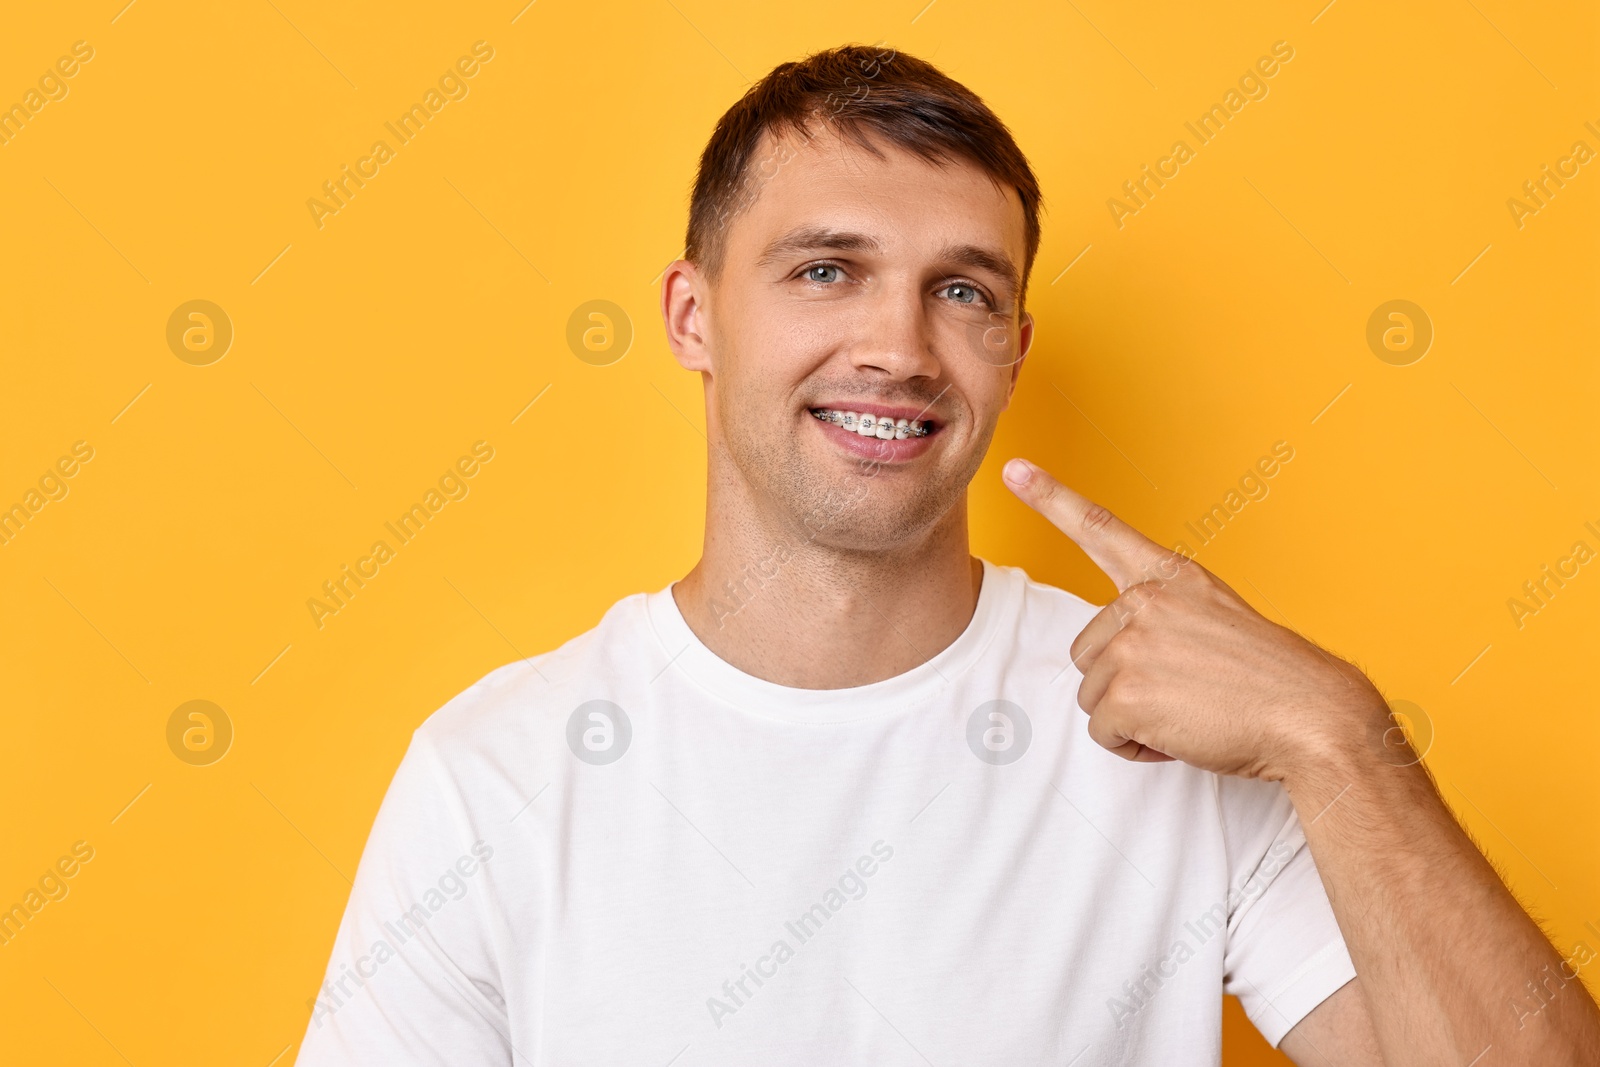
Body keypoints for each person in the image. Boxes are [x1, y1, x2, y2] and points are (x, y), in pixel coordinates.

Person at [295, 44, 1600, 1065]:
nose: (900, 348)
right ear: (695, 316)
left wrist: (1337, 733)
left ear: (1013, 353)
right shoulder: (497, 778)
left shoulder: (1166, 732)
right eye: (825, 271)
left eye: (963, 291)